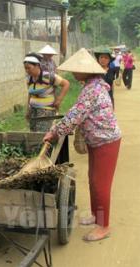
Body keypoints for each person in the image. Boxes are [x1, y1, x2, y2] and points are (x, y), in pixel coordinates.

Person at [43, 48, 121, 242]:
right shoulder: (92, 86)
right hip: (97, 140)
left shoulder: (92, 89)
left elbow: (74, 116)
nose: (73, 72)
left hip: (106, 141)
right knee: (93, 180)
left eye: (77, 69)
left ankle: (104, 226)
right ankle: (96, 216)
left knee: (101, 185)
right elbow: (77, 111)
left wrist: (54, 133)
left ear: (87, 71)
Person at [23, 53, 70, 132]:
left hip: (46, 112)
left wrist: (58, 100)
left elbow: (66, 84)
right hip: (33, 111)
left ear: (37, 66)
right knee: (33, 135)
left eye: (29, 68)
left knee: (43, 135)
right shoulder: (29, 79)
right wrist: (28, 109)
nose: (27, 71)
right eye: (25, 68)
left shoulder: (49, 76)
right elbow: (30, 94)